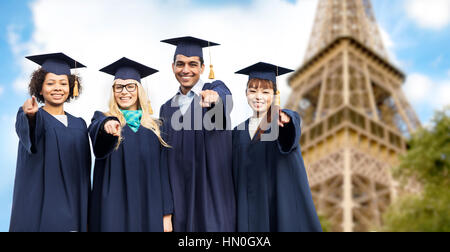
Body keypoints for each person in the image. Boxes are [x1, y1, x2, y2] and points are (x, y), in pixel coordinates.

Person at [233, 62, 322, 232]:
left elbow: (289, 136)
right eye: (253, 91)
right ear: (246, 94)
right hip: (248, 211)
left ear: (274, 95)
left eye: (265, 92)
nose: (258, 96)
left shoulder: (282, 120)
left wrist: (286, 122)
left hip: (278, 207)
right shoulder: (237, 133)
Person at [159, 36, 235, 232]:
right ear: (172, 66)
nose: (186, 70)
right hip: (180, 204)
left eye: (193, 64)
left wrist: (215, 99)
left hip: (211, 200)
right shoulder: (166, 109)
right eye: (180, 64)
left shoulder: (214, 90)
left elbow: (224, 99)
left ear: (202, 68)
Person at [88, 57, 173, 232]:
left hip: (148, 206)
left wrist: (167, 215)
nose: (124, 92)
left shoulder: (155, 128)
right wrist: (107, 126)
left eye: (130, 86)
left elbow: (163, 173)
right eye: (118, 87)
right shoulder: (102, 118)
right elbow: (96, 133)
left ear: (139, 90)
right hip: (111, 207)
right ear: (113, 91)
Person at [10, 53, 91, 232]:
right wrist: (30, 116)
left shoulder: (80, 124)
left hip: (75, 210)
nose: (57, 88)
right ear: (39, 88)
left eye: (63, 83)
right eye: (50, 83)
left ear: (71, 88)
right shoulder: (35, 116)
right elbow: (29, 131)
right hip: (42, 211)